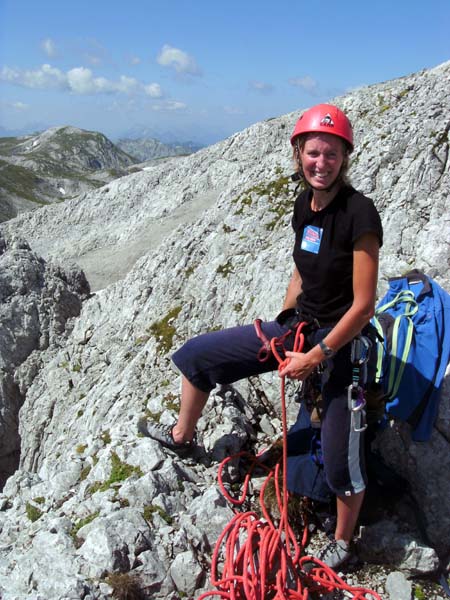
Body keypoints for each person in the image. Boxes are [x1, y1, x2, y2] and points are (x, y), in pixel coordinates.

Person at [139, 103, 383, 569]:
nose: (321, 163)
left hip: (343, 345)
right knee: (197, 356)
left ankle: (346, 543)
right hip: (299, 329)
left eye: (332, 155)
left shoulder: (360, 214)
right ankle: (182, 435)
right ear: (298, 154)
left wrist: (315, 357)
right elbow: (301, 266)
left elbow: (363, 305)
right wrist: (288, 317)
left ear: (344, 159)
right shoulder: (303, 204)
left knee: (338, 460)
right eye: (313, 153)